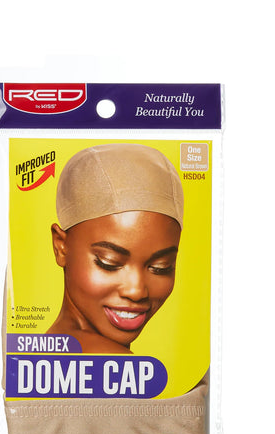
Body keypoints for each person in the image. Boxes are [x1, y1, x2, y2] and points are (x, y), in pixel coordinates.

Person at [46, 143, 184, 354]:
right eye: (109, 263)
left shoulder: (48, 349)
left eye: (161, 267)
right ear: (61, 247)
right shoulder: (117, 362)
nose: (136, 291)